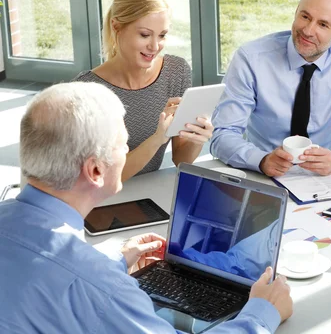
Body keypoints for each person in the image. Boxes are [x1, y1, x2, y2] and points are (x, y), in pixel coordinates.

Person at [0, 82, 292, 334]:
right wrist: (261, 314)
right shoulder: (106, 290)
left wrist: (114, 261)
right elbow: (86, 283)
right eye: (122, 144)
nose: (126, 150)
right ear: (96, 171)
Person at [210, 0, 331, 177]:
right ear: (296, 13)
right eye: (305, 17)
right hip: (262, 172)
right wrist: (261, 160)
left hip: (328, 175)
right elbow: (222, 134)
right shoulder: (251, 58)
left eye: (323, 24)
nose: (308, 31)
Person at [75, 0, 213, 181]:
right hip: (99, 200)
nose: (155, 46)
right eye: (145, 35)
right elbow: (104, 176)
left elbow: (181, 159)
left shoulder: (176, 72)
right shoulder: (87, 90)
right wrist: (158, 138)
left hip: (149, 194)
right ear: (117, 26)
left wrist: (197, 138)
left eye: (162, 35)